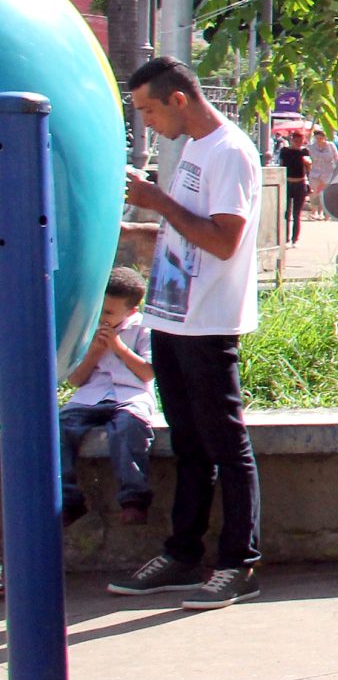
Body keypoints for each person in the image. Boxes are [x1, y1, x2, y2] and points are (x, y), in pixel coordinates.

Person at [111, 57, 265, 609]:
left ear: (178, 99)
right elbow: (187, 231)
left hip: (209, 322)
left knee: (226, 445)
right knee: (189, 443)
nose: (147, 123)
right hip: (171, 317)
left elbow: (223, 241)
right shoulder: (196, 149)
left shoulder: (230, 152)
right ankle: (182, 554)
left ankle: (239, 563)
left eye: (149, 110)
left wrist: (158, 202)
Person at [59, 266, 154, 526]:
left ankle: (133, 499)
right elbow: (76, 380)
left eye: (110, 313)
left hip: (130, 395)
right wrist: (94, 352)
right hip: (91, 396)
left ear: (131, 311)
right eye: (101, 309)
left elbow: (147, 373)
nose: (103, 317)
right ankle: (67, 498)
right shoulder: (88, 328)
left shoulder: (143, 329)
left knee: (127, 428)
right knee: (60, 427)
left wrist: (118, 347)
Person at [276, 132, 311, 241]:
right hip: (287, 182)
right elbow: (281, 165)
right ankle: (285, 238)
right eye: (296, 141)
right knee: (286, 213)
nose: (298, 143)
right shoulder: (285, 151)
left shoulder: (304, 152)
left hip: (300, 183)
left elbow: (309, 168)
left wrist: (307, 163)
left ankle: (295, 238)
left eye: (301, 141)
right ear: (292, 140)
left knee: (297, 214)